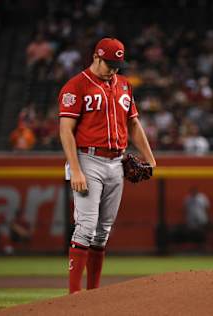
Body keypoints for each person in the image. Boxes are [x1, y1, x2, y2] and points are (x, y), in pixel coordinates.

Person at [59, 37, 156, 294]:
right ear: (96, 57)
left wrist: (150, 156)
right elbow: (65, 131)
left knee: (103, 232)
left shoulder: (124, 85)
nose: (114, 69)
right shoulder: (76, 86)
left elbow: (133, 124)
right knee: (87, 226)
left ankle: (94, 295)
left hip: (117, 162)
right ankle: (74, 295)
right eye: (109, 63)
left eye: (117, 64)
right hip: (87, 159)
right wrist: (76, 169)